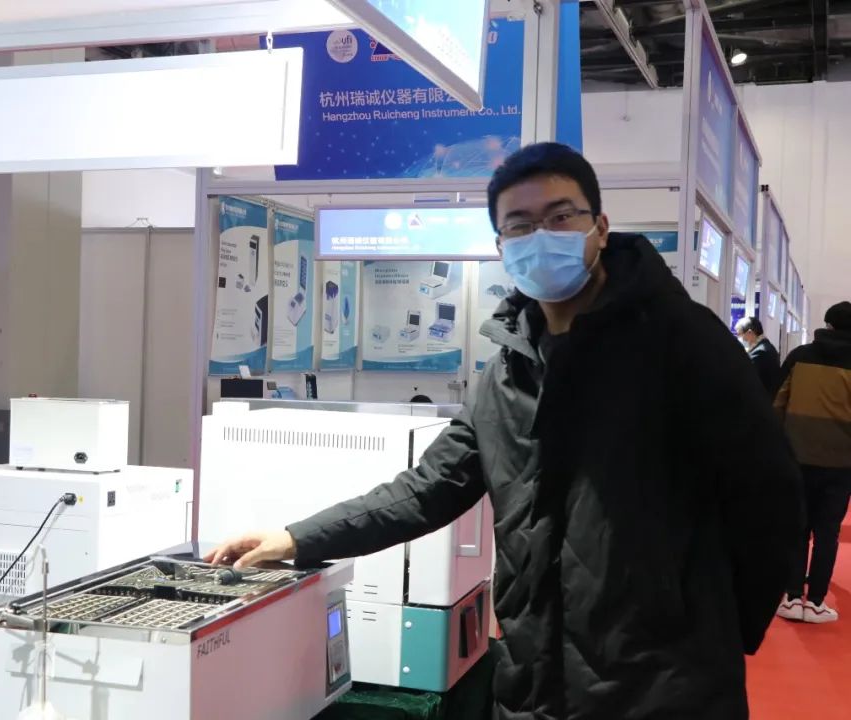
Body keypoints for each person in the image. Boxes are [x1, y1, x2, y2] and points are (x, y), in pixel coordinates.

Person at [207, 143, 802, 719]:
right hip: (532, 682)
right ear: (501, 246)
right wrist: (296, 538)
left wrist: (715, 634)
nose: (540, 236)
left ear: (600, 228)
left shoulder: (682, 344)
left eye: (560, 216)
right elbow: (427, 489)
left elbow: (769, 499)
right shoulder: (505, 374)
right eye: (520, 225)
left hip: (662, 689)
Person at [774, 301, 851, 624]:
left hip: (798, 459)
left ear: (827, 324)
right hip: (841, 464)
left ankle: (792, 597)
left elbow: (777, 403)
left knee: (797, 529)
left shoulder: (799, 357)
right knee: (827, 533)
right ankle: (816, 601)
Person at [735, 316, 782, 398]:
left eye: (739, 334)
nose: (738, 338)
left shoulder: (760, 352)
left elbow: (745, 379)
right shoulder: (766, 347)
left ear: (749, 333)